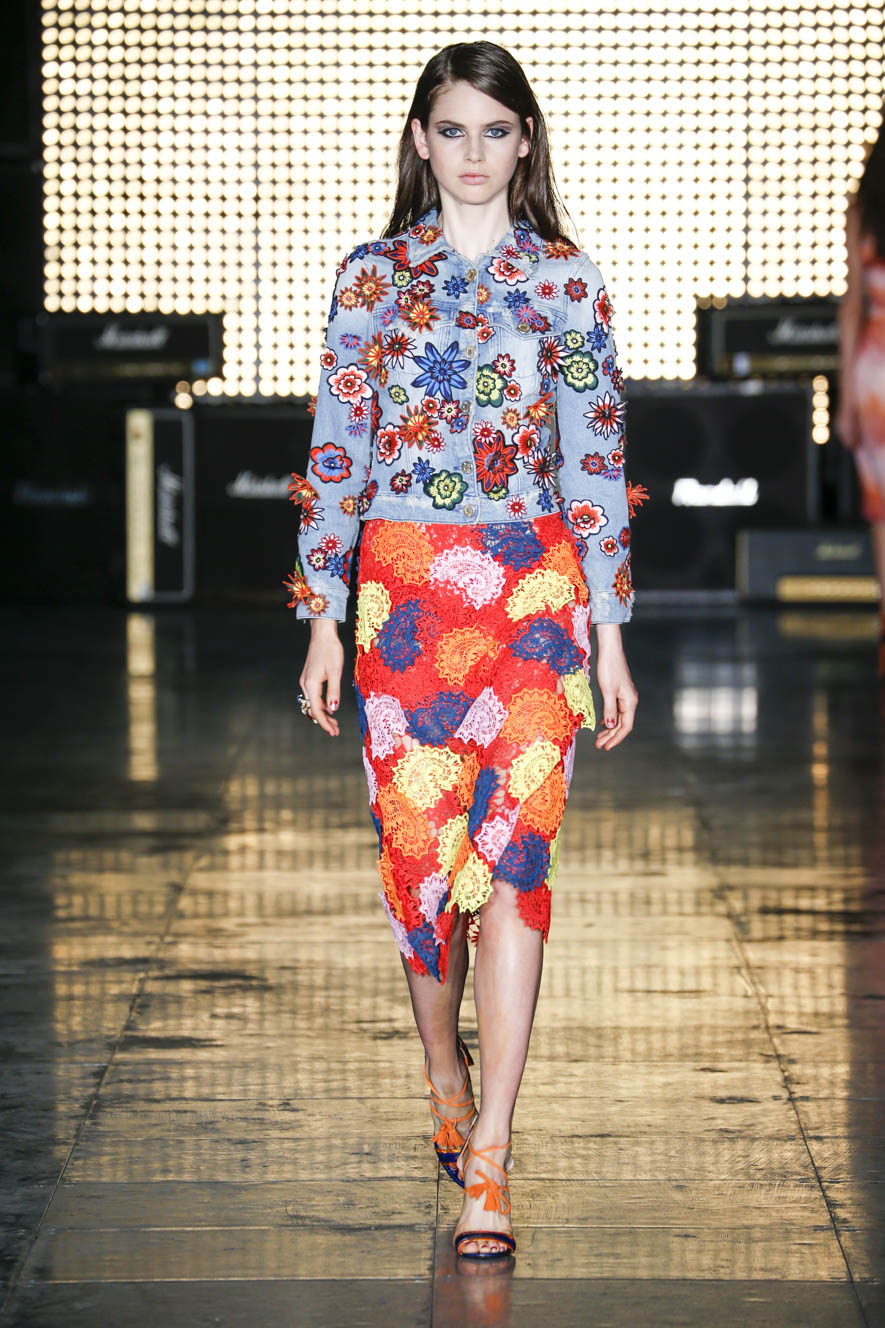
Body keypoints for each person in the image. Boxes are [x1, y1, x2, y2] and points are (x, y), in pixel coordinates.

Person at [286, 41, 639, 1259]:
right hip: (403, 597)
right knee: (424, 872)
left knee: (516, 864)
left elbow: (597, 462)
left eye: (496, 129)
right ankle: (444, 1066)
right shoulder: (372, 279)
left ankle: (490, 1152)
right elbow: (337, 450)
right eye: (453, 128)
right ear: (421, 140)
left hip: (537, 595)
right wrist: (323, 616)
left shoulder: (568, 280)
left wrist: (611, 635)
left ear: (526, 140)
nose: (475, 151)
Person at [836, 114, 885, 674]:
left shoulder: (865, 206)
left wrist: (847, 399)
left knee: (881, 512)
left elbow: (852, 306)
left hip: (875, 370)